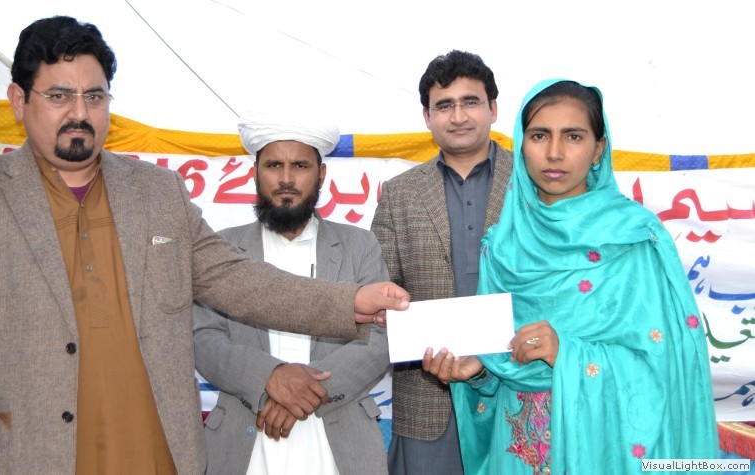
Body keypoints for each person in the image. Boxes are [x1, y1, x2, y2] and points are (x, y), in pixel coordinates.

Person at [0, 16, 408, 475]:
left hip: (157, 455)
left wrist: (350, 302)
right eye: (59, 96)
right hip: (28, 457)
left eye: (94, 97)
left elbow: (235, 279)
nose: (79, 113)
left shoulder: (156, 192)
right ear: (19, 100)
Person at [423, 79, 719, 473]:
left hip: (604, 452)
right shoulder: (503, 245)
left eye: (573, 136)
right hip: (518, 453)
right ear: (521, 145)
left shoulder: (633, 238)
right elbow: (500, 368)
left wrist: (568, 353)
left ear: (598, 148)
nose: (554, 152)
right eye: (539, 135)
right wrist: (478, 373)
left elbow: (668, 368)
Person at [193, 112, 391, 474]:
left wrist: (302, 392)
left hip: (339, 433)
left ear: (321, 174)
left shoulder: (359, 245)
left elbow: (380, 337)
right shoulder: (221, 248)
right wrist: (268, 378)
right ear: (255, 172)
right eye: (274, 165)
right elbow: (203, 338)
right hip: (245, 434)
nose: (286, 178)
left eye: (300, 165)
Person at [370, 50, 513, 474]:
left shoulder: (530, 183)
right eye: (444, 105)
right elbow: (381, 287)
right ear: (427, 117)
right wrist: (385, 310)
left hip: (518, 389)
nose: (458, 116)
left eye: (471, 102)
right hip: (428, 398)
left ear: (493, 108)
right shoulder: (400, 194)